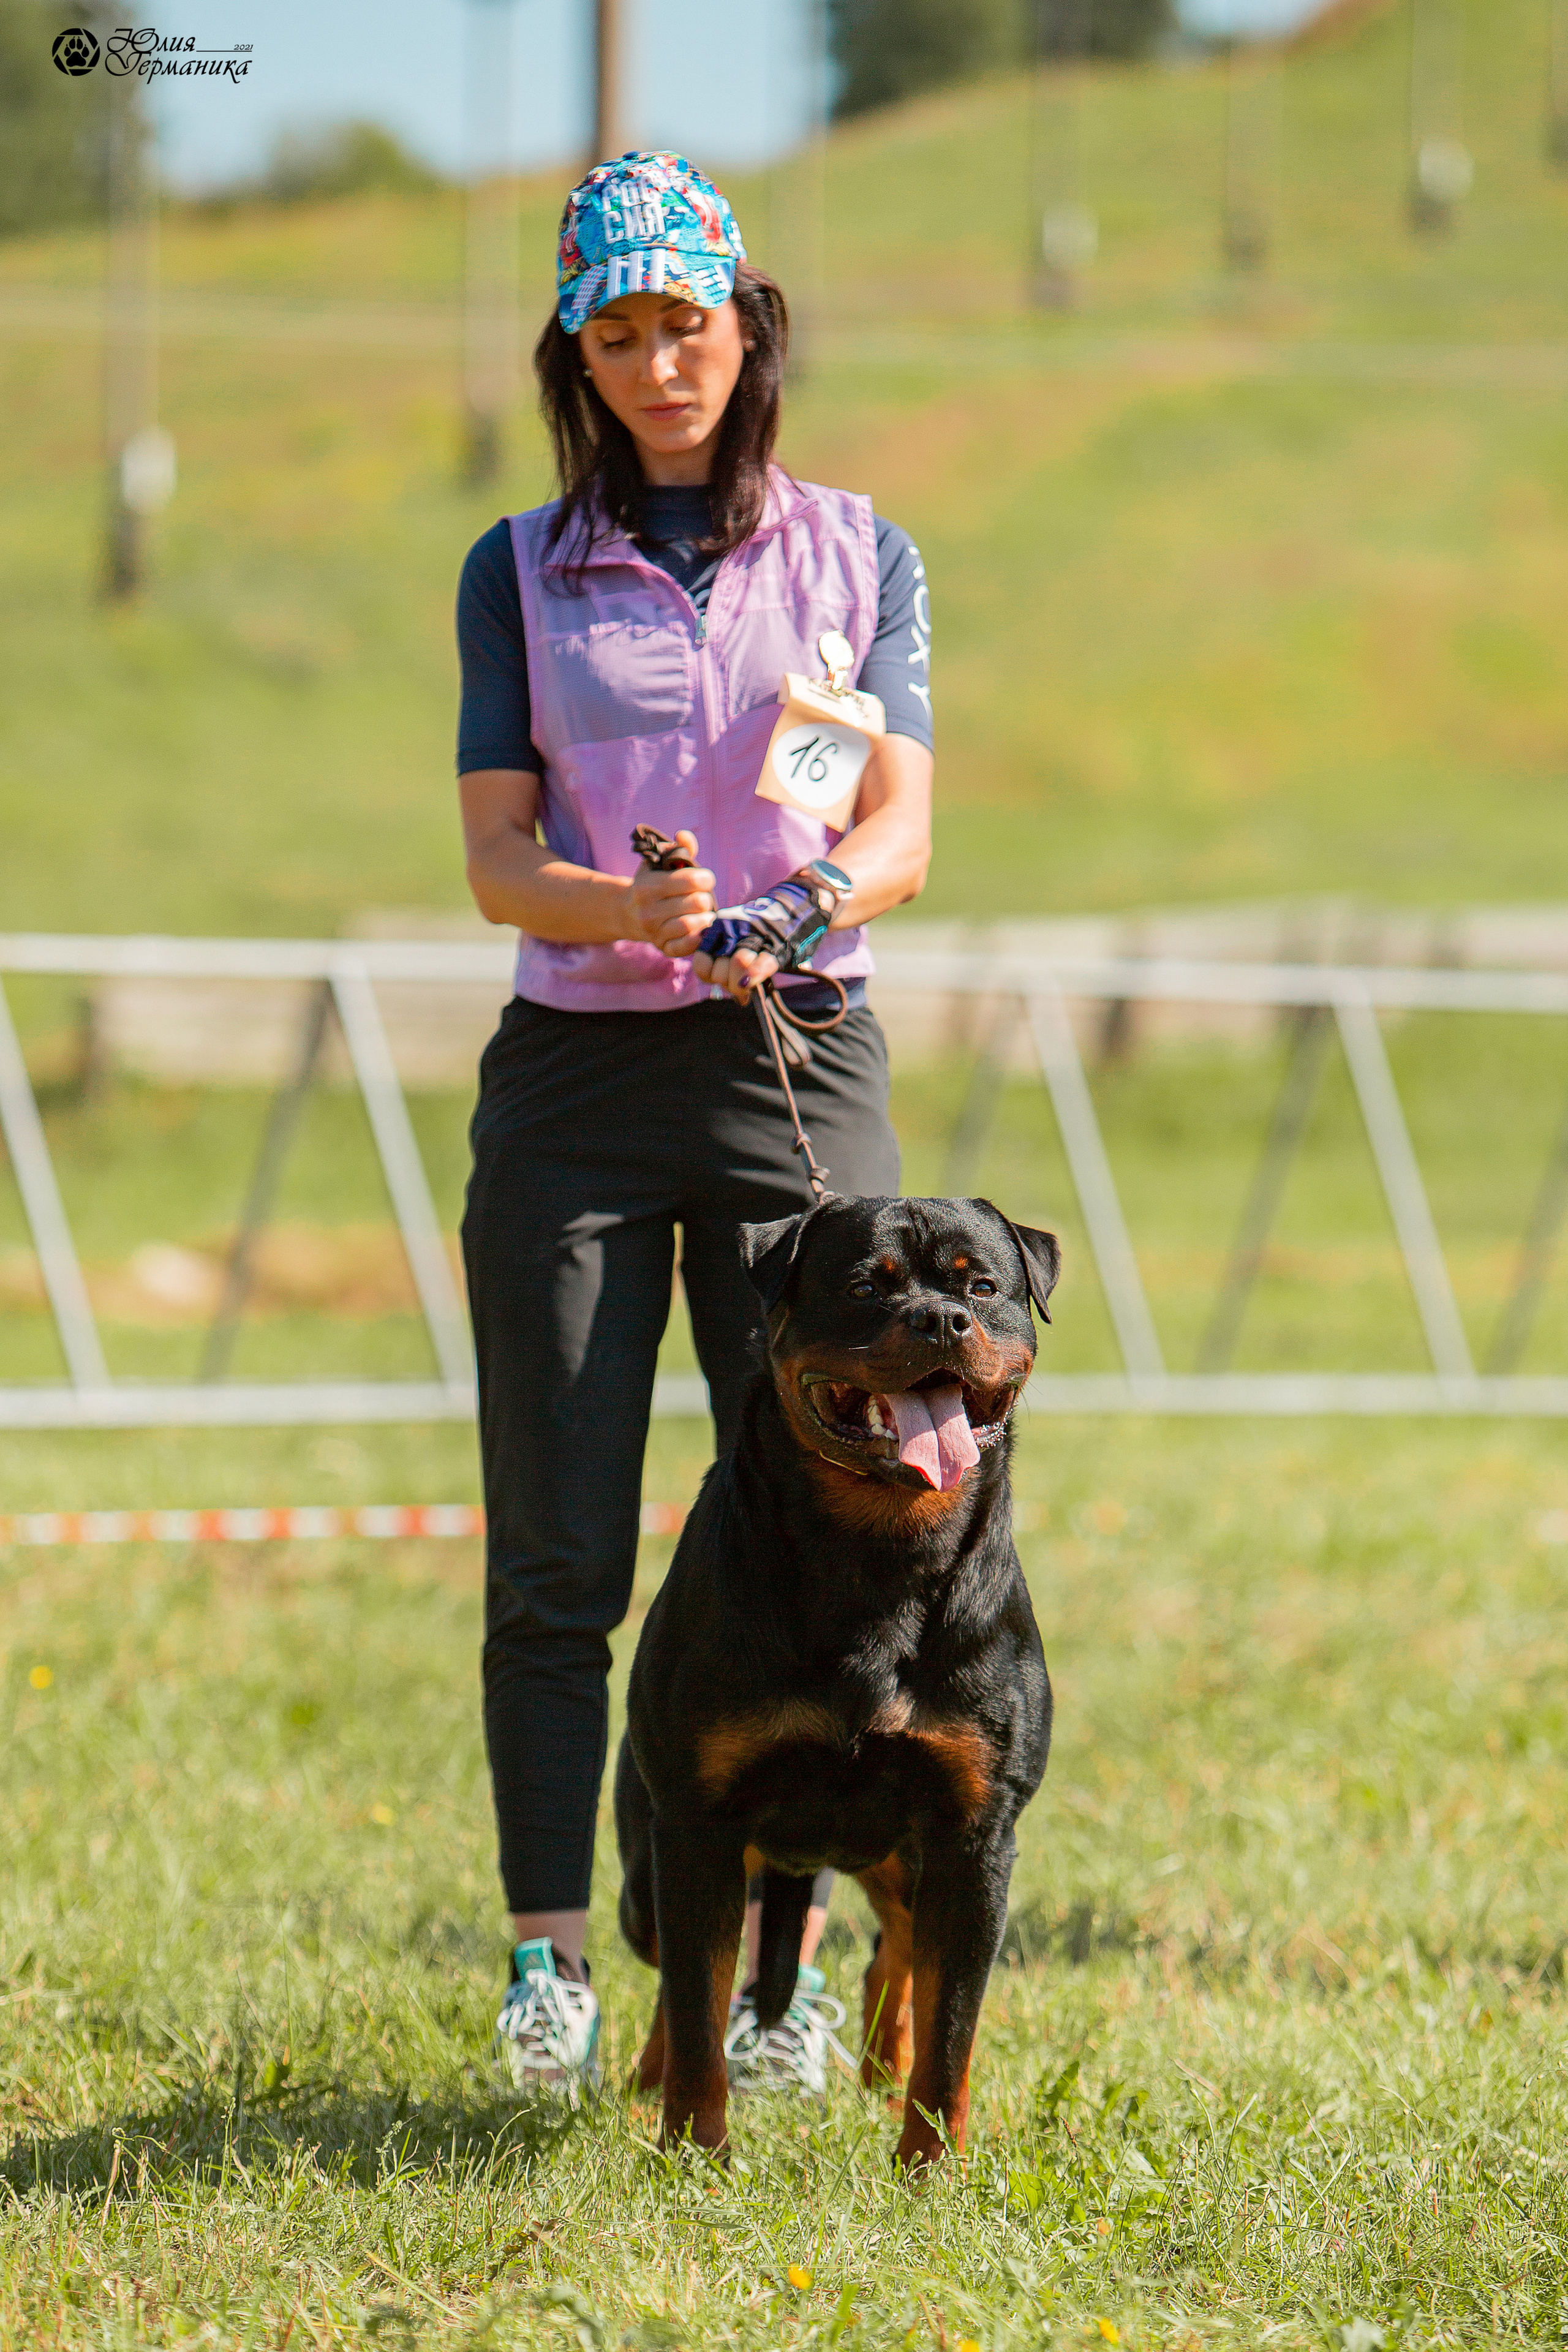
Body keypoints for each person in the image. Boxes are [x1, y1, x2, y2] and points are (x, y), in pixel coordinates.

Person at [454, 151, 934, 2093]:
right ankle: (551, 1968)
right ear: (581, 348)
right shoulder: (518, 567)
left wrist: (805, 901)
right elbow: (497, 861)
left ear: (751, 329)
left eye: (692, 323)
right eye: (623, 329)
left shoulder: (856, 553)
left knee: (818, 1533)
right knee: (560, 1550)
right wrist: (624, 909)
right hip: (577, 1074)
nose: (664, 362)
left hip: (795, 1059)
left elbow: (894, 824)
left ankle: (775, 1985)